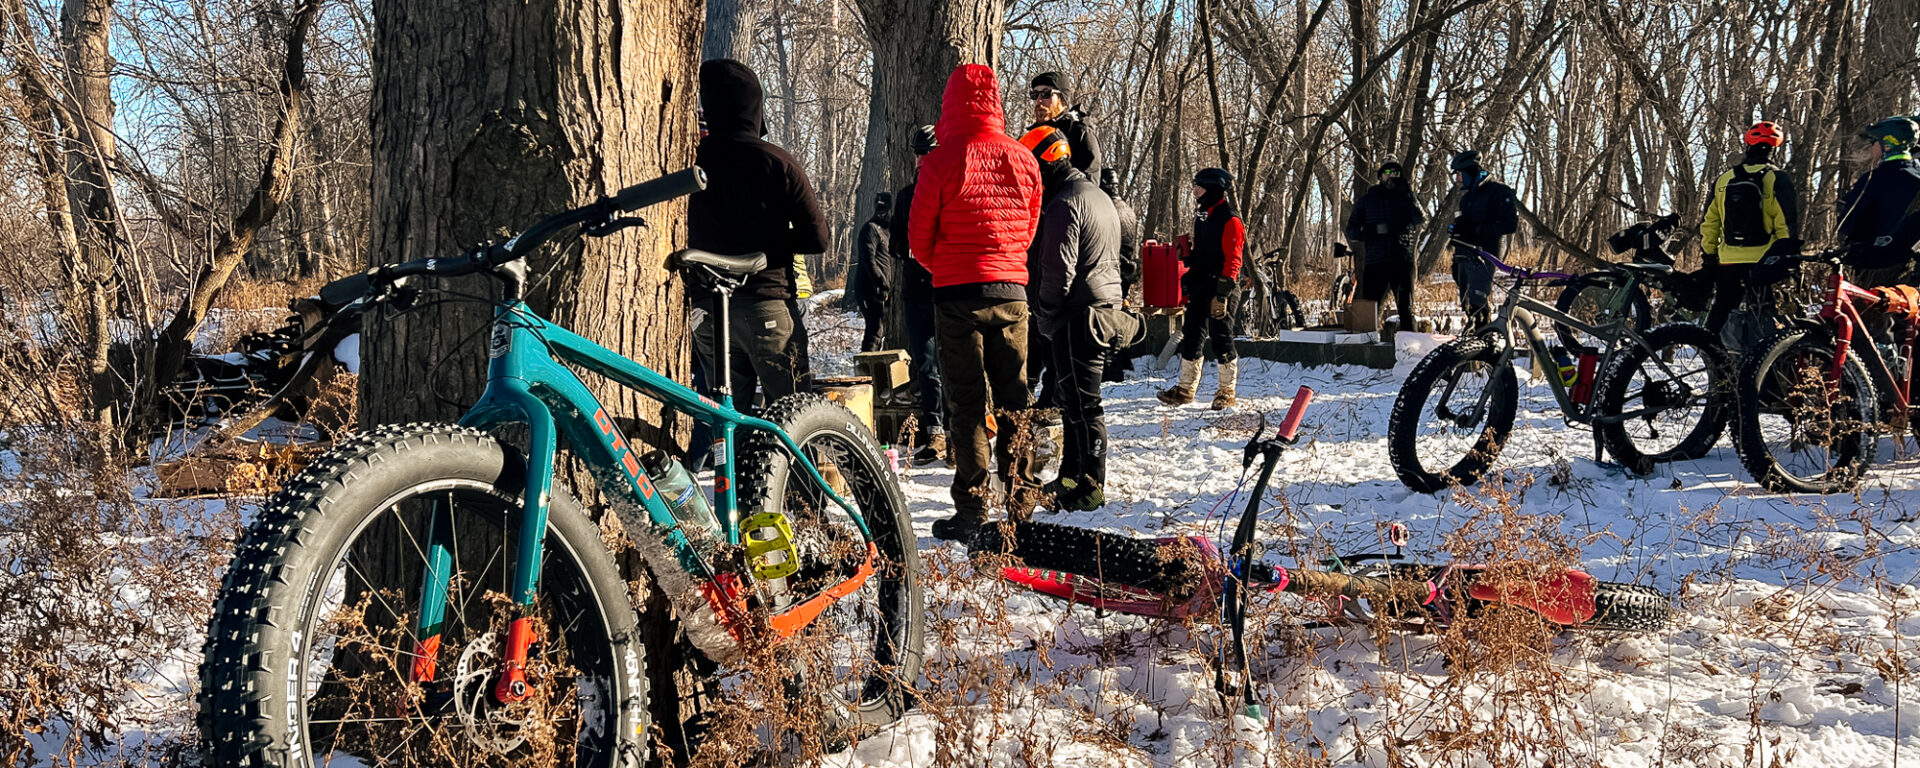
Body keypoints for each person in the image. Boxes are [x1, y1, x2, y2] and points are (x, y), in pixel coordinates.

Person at [911, 64, 1044, 541]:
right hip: (1011, 291)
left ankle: (971, 510)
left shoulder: (941, 161)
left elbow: (918, 237)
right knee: (1016, 398)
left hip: (956, 296)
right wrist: (1004, 261)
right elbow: (1028, 230)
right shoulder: (1024, 158)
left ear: (949, 106)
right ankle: (1021, 500)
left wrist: (946, 266)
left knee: (965, 404)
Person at [687, 59, 828, 406]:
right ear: (754, 107)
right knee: (796, 420)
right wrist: (773, 242)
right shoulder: (776, 162)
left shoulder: (687, 162)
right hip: (766, 302)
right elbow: (818, 238)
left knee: (728, 422)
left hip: (706, 310)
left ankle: (726, 460)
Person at [1019, 126, 1122, 512]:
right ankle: (1072, 475)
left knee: (1086, 406)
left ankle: (1092, 484)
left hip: (1077, 314)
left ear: (1044, 162)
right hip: (1101, 308)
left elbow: (1057, 272)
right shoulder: (1096, 196)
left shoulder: (1064, 203)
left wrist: (1044, 316)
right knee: (1075, 404)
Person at [1699, 121, 1800, 338]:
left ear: (1748, 145)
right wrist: (1789, 259)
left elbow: (1710, 223)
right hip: (1764, 262)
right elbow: (1785, 225)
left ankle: (1715, 363)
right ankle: (1763, 369)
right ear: (1774, 148)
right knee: (1764, 321)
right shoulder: (1777, 178)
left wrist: (1709, 257)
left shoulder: (1724, 179)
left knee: (1720, 316)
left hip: (1728, 262)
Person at [1157, 167, 1244, 410]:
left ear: (1213, 189)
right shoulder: (1203, 217)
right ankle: (1185, 389)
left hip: (1223, 285)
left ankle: (1226, 392)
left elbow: (1234, 260)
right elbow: (1206, 256)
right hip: (1201, 283)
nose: (1195, 192)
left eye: (1199, 188)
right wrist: (1188, 255)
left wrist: (1222, 294)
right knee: (1192, 333)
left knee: (1221, 336)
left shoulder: (1231, 219)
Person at [893, 125, 947, 465]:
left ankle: (960, 435)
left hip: (950, 290)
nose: (920, 160)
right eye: (917, 153)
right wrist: (916, 251)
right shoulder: (905, 197)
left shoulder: (951, 191)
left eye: (926, 153)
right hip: (916, 292)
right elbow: (896, 244)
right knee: (927, 366)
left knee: (958, 362)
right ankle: (936, 431)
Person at [1837, 116, 1920, 290]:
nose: (1871, 148)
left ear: (1888, 144)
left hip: (1872, 266)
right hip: (1909, 271)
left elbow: (1848, 223)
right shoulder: (1916, 177)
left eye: (1874, 142)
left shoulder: (1873, 180)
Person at [1344, 160, 1424, 334]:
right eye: (1387, 172)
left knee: (1406, 307)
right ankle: (1367, 345)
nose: (1391, 176)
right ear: (1380, 176)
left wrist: (1408, 193)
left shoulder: (1406, 198)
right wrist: (1369, 230)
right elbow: (1351, 231)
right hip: (1376, 261)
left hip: (1402, 261)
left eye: (1396, 172)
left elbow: (1420, 218)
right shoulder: (1367, 200)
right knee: (1371, 306)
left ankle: (1409, 348)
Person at [1447, 151, 1518, 327]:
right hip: (1464, 253)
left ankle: (1486, 339)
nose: (1458, 180)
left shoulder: (1499, 191)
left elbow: (1510, 225)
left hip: (1486, 252)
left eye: (1460, 175)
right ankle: (1477, 337)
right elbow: (1466, 224)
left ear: (1470, 172)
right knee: (1467, 303)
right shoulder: (1467, 198)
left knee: (1477, 299)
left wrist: (1477, 229)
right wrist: (1457, 230)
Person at [1101, 168, 1142, 383]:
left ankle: (1112, 366)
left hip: (1111, 269)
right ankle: (1122, 360)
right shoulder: (1127, 209)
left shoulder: (1106, 208)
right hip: (1126, 270)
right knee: (1119, 314)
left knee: (1107, 320)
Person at [1028, 71, 1102, 179]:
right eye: (1034, 95)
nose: (1039, 100)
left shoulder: (1079, 134)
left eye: (1046, 94)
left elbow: (1088, 187)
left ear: (1062, 99)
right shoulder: (1028, 137)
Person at [852, 192, 895, 352]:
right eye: (879, 208)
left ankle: (875, 367)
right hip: (869, 289)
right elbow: (868, 260)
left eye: (885, 208)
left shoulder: (888, 231)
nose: (882, 212)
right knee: (875, 330)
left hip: (883, 288)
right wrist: (882, 284)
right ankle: (866, 371)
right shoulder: (870, 229)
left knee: (880, 329)